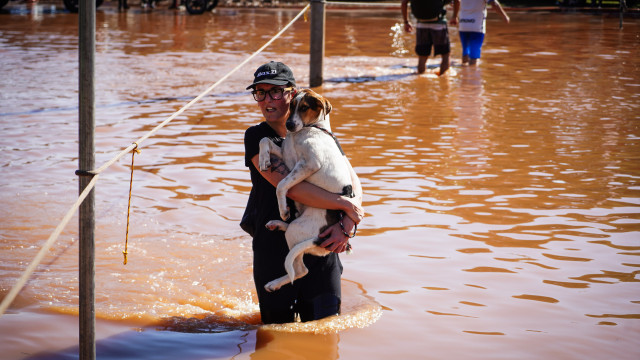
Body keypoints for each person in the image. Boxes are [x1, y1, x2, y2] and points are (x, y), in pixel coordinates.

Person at [242, 61, 364, 324]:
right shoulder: (257, 137)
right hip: (275, 251)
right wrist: (344, 204)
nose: (267, 100)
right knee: (277, 339)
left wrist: (346, 225)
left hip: (323, 245)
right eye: (260, 93)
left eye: (275, 92)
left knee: (325, 335)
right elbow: (292, 188)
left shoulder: (321, 136)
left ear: (293, 94)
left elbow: (354, 183)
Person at [401, 0, 459, 76]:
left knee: (422, 56)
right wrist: (454, 16)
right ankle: (444, 82)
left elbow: (404, 2)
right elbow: (457, 1)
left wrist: (406, 22)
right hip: (438, 24)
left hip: (421, 24)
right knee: (445, 55)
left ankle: (421, 81)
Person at [450, 0, 510, 66]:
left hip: (463, 25)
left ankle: (463, 72)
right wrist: (504, 16)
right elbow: (494, 3)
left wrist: (454, 16)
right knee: (474, 56)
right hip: (476, 26)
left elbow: (455, 2)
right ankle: (472, 74)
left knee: (465, 52)